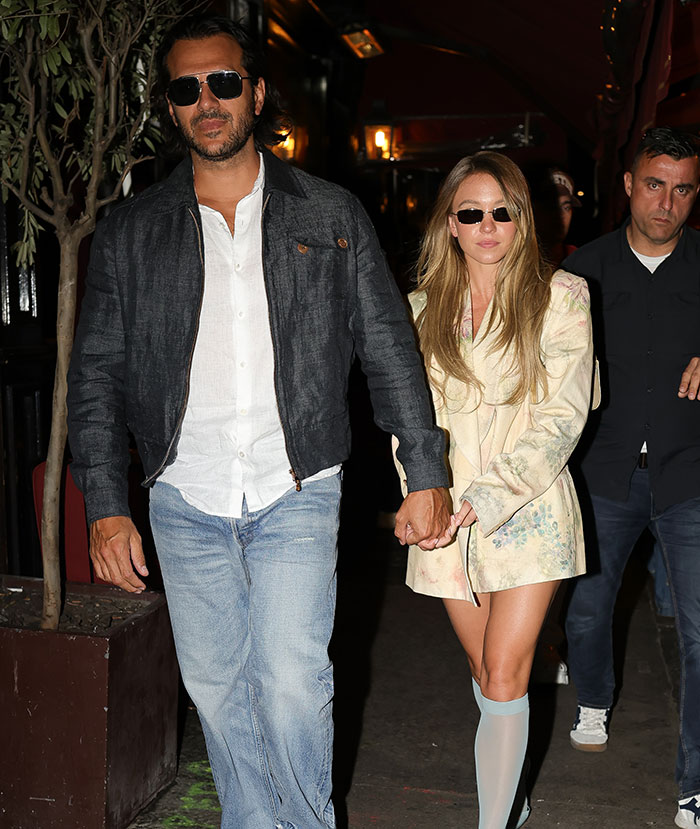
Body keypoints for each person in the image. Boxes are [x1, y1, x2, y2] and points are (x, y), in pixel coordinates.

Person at [66, 15, 452, 829]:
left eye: (224, 82)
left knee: (290, 683)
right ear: (170, 108)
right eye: (186, 88)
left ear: (257, 92)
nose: (207, 101)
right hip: (184, 496)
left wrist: (426, 471)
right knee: (219, 692)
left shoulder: (329, 211)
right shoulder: (133, 233)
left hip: (296, 484)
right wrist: (106, 501)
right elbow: (96, 374)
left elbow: (389, 350)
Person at [398, 151, 595, 828]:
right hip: (445, 520)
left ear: (522, 218)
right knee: (488, 676)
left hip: (529, 514)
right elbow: (409, 422)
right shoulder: (418, 310)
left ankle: (493, 820)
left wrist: (483, 498)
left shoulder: (561, 297)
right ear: (450, 224)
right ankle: (508, 791)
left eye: (502, 211)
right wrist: (419, 492)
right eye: (471, 212)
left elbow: (560, 420)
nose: (488, 225)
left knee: (508, 673)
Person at [563, 126, 700, 829]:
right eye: (654, 183)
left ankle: (695, 780)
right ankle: (592, 696)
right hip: (606, 471)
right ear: (627, 184)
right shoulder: (582, 271)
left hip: (689, 476)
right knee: (587, 610)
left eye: (681, 189)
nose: (665, 202)